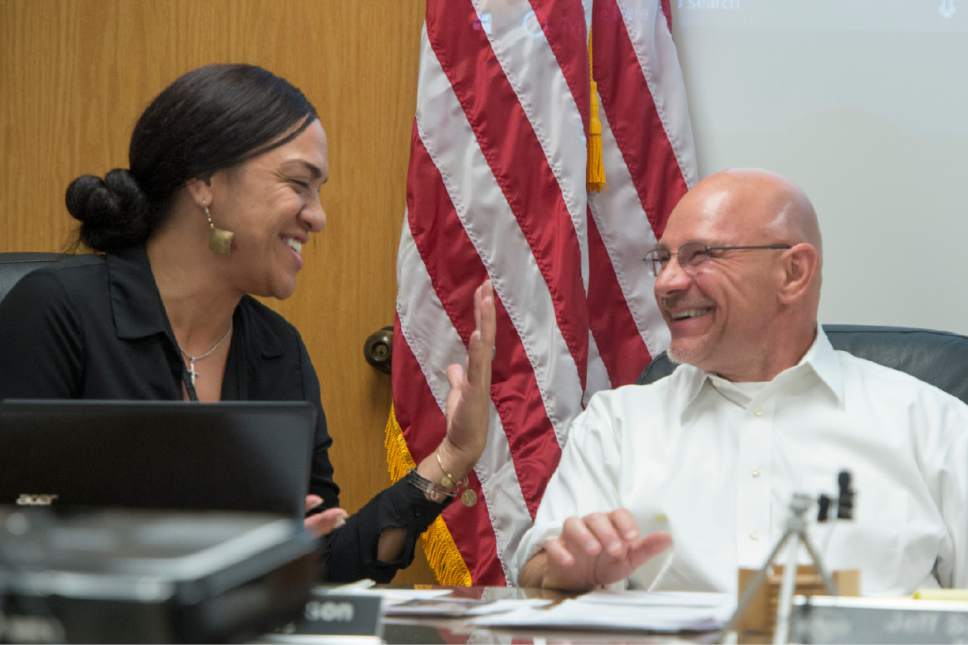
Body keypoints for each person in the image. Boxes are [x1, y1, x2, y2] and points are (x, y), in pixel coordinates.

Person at [0, 64, 496, 583]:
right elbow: (18, 537)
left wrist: (453, 457)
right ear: (205, 182)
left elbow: (318, 566)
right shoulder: (56, 312)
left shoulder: (277, 351)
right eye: (299, 185)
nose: (318, 216)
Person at [514, 169, 968, 595]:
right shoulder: (617, 425)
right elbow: (536, 571)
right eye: (663, 259)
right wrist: (566, 571)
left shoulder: (934, 426)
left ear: (793, 273)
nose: (666, 283)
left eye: (700, 256)